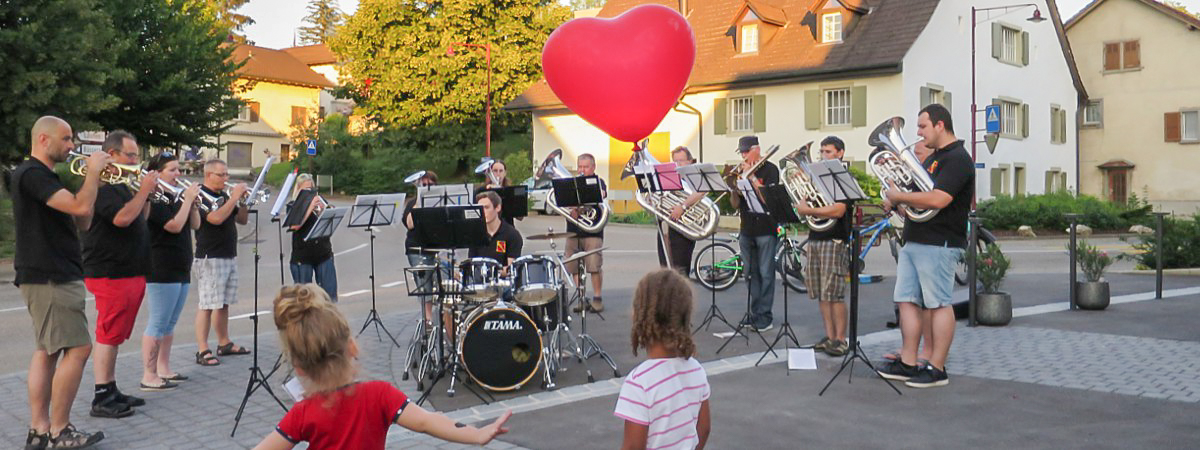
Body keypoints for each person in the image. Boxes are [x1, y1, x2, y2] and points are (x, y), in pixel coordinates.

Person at [253, 284, 512, 450]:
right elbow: (426, 421)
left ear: (299, 367)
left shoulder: (302, 413)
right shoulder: (379, 395)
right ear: (352, 346)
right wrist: (477, 434)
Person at [14, 116, 108, 449]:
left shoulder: (46, 176)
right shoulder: (33, 174)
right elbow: (80, 207)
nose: (72, 146)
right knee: (78, 348)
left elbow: (83, 219)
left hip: (53, 272)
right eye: (66, 139)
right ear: (43, 139)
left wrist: (94, 183)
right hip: (51, 274)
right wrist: (93, 173)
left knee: (48, 351)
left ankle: (40, 430)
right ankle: (59, 430)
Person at [876, 104, 974, 388]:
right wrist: (898, 201)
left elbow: (939, 199)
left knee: (939, 304)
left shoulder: (957, 158)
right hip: (916, 237)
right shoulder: (935, 158)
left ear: (940, 125)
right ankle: (908, 361)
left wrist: (900, 196)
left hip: (940, 241)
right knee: (906, 300)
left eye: (922, 126)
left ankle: (937, 368)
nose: (918, 133)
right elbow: (919, 201)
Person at [81, 131, 158, 419]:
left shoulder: (122, 186)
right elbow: (122, 218)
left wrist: (145, 196)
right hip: (110, 270)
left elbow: (139, 217)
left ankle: (111, 387)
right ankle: (102, 395)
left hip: (129, 269)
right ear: (111, 155)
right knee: (108, 333)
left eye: (137, 155)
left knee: (116, 335)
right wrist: (143, 191)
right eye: (131, 155)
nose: (136, 161)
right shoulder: (102, 186)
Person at [615, 270, 711, 450]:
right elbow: (704, 428)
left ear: (640, 316)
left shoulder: (639, 383)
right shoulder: (696, 369)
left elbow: (633, 446)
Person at [141, 153, 202, 393]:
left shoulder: (177, 197)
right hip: (161, 266)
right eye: (172, 170)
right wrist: (187, 201)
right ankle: (149, 374)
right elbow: (174, 226)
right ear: (157, 173)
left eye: (179, 169)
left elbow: (195, 225)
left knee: (170, 323)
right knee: (158, 322)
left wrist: (193, 205)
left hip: (181, 264)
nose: (178, 174)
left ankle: (164, 368)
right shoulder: (155, 198)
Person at [792, 137, 852, 357]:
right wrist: (803, 193)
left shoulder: (842, 178)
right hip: (816, 238)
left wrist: (809, 211)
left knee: (834, 293)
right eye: (822, 151)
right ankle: (829, 336)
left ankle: (840, 339)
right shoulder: (817, 179)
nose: (823, 155)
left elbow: (838, 210)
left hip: (834, 240)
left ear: (840, 153)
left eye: (828, 151)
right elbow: (806, 203)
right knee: (821, 293)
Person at [193, 159, 251, 367]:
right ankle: (202, 349)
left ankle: (224, 342)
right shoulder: (200, 195)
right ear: (209, 175)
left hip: (228, 254)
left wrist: (242, 201)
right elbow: (215, 219)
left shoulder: (224, 196)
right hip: (210, 257)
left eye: (227, 174)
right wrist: (234, 197)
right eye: (222, 174)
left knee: (223, 303)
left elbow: (242, 220)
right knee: (207, 305)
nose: (226, 178)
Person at [731, 136, 780, 332]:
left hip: (766, 228)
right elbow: (735, 204)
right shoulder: (740, 171)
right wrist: (735, 187)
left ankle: (765, 316)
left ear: (757, 149)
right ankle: (755, 313)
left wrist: (750, 178)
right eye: (741, 152)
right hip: (746, 228)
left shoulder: (771, 170)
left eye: (746, 151)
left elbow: (769, 199)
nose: (743, 155)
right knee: (750, 274)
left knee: (766, 273)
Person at [566, 153, 607, 313]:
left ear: (593, 167)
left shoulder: (598, 182)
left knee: (594, 266)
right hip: (572, 231)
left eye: (586, 167)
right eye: (580, 167)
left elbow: (601, 194)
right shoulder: (571, 183)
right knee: (573, 266)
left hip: (592, 231)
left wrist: (580, 207)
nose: (582, 170)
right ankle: (582, 298)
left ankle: (597, 299)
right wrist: (571, 209)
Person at [656, 146, 706, 276]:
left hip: (684, 227)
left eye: (681, 160)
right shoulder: (669, 176)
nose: (678, 164)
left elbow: (702, 191)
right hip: (666, 225)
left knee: (681, 269)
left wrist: (683, 206)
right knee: (665, 267)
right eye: (675, 161)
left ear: (690, 161)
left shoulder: (694, 175)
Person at [287, 174, 337, 301]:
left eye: (311, 189)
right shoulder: (293, 205)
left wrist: (322, 212)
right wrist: (309, 208)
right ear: (298, 190)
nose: (309, 192)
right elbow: (294, 226)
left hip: (323, 253)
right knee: (304, 299)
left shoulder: (319, 201)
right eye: (305, 190)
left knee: (328, 297)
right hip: (303, 257)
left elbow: (329, 224)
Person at [403, 171, 439, 324]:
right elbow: (410, 224)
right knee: (424, 284)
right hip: (417, 248)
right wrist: (420, 198)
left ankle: (444, 316)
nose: (427, 187)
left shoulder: (440, 201)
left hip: (437, 247)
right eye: (424, 184)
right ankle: (427, 318)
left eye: (430, 184)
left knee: (445, 281)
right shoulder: (412, 203)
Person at [467, 191, 523, 270]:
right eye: (480, 208)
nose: (482, 212)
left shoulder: (512, 235)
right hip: (479, 277)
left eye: (486, 207)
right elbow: (472, 263)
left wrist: (492, 272)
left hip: (501, 278)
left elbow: (511, 269)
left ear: (497, 208)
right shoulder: (476, 234)